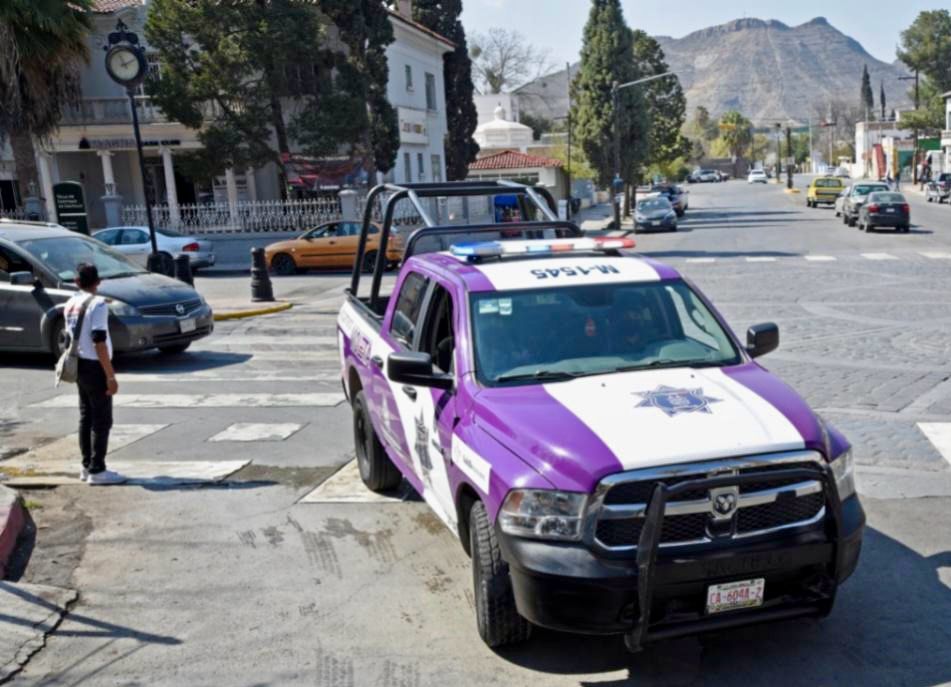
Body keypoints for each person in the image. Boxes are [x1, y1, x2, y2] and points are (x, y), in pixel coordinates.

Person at [63, 263, 126, 485]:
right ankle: (97, 470)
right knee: (102, 420)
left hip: (79, 365)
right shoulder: (98, 304)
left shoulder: (70, 303)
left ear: (77, 282)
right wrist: (110, 376)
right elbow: (99, 341)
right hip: (95, 366)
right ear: (98, 282)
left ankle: (86, 466)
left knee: (86, 416)